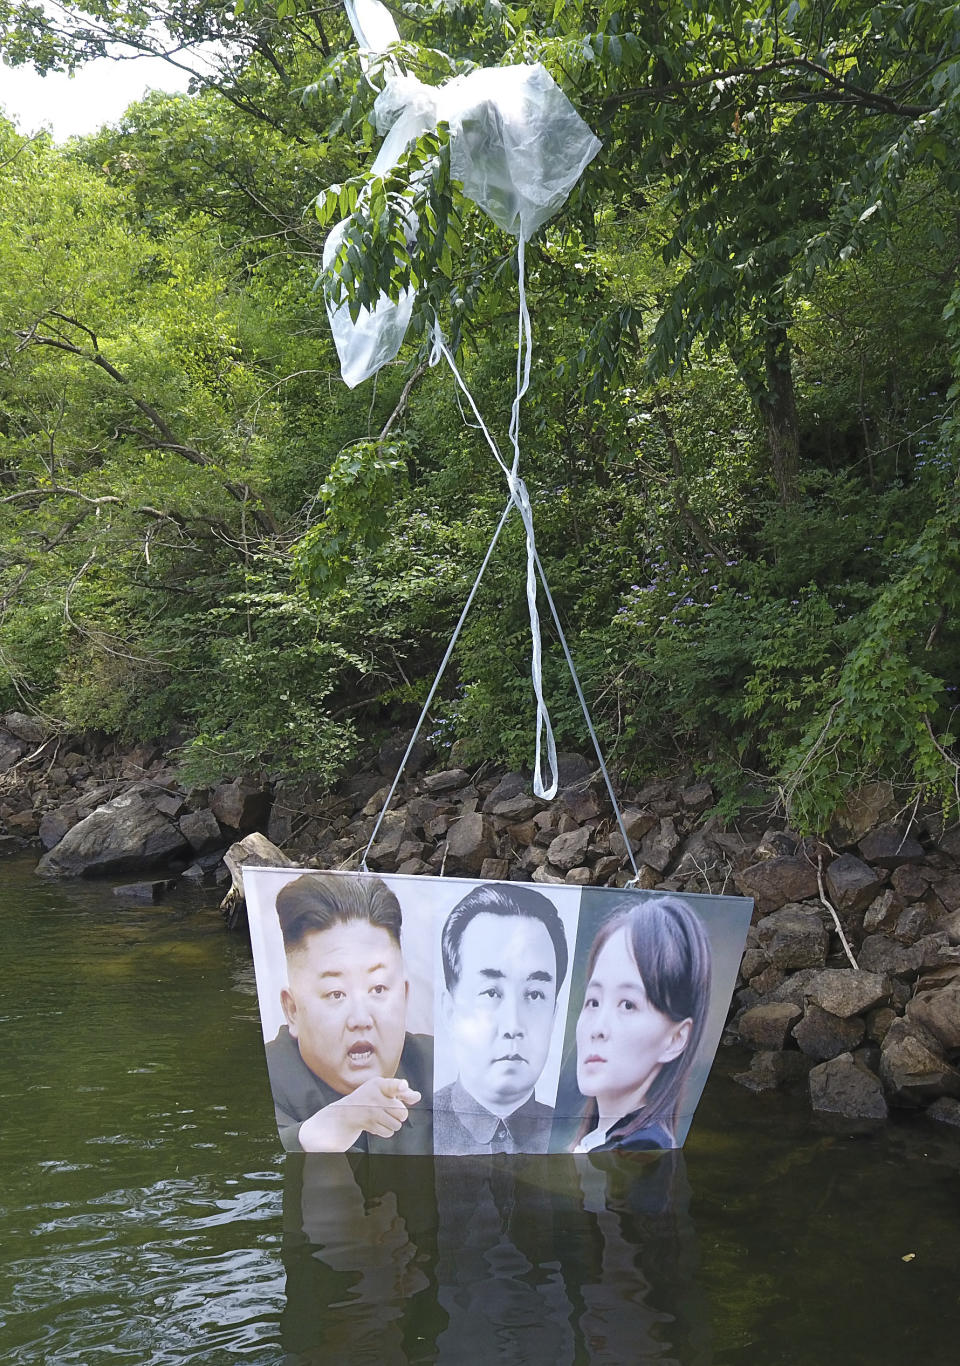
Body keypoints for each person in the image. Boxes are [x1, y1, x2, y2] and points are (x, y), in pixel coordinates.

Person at [265, 872, 432, 1153]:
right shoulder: (264, 1079)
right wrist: (332, 1126)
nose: (360, 1020)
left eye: (378, 989)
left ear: (404, 996)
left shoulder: (445, 1067)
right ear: (292, 1010)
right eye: (336, 994)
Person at [435, 883, 568, 1154]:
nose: (513, 1026)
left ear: (554, 1014)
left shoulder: (577, 1134)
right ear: (450, 1011)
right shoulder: (408, 1128)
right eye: (491, 992)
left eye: (533, 995)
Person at [573, 895, 711, 1153]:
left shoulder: (643, 1155)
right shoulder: (602, 1144)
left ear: (676, 1039)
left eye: (628, 1005)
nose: (598, 1029)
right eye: (593, 1002)